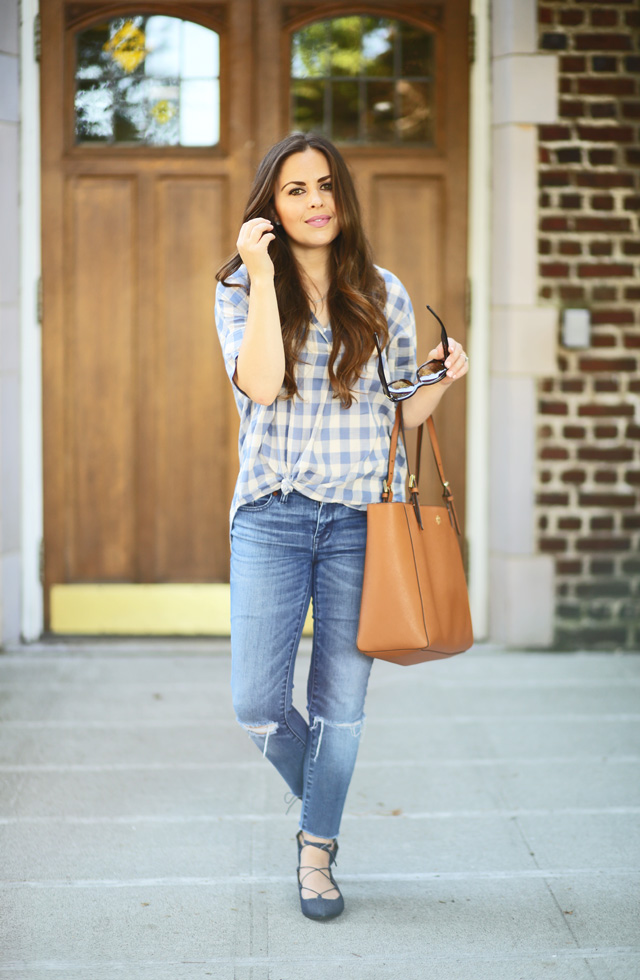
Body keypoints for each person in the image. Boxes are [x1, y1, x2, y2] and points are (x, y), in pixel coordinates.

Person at [214, 132, 468, 921]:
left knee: (341, 708)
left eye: (325, 185)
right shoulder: (237, 287)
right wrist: (260, 275)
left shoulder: (382, 290)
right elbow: (258, 384)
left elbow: (400, 413)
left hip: (364, 520)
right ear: (271, 205)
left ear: (342, 196)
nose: (315, 200)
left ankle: (316, 850)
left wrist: (441, 378)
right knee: (257, 702)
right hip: (272, 513)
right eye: (295, 190)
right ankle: (325, 801)